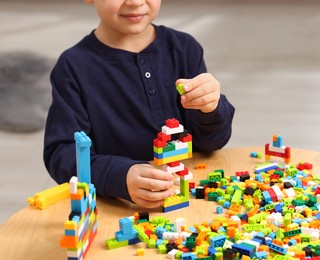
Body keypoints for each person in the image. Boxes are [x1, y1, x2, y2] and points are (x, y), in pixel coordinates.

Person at [43, 0, 235, 209]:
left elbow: (211, 143)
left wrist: (210, 108)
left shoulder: (184, 48)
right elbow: (61, 155)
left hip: (192, 199)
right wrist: (118, 177)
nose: (135, 2)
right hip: (117, 209)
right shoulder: (73, 66)